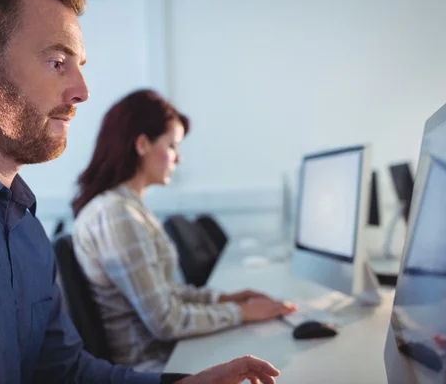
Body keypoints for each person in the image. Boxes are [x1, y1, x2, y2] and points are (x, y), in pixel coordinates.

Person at [0, 0, 283, 383]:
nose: (82, 92)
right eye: (58, 62)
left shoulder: (25, 229)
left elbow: (64, 372)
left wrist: (183, 383)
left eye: (80, 65)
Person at [71, 89, 297, 371]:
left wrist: (224, 299)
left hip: (171, 355)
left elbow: (163, 291)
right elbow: (166, 321)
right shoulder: (117, 215)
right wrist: (241, 313)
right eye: (172, 146)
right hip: (156, 367)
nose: (179, 159)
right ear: (142, 144)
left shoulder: (128, 208)